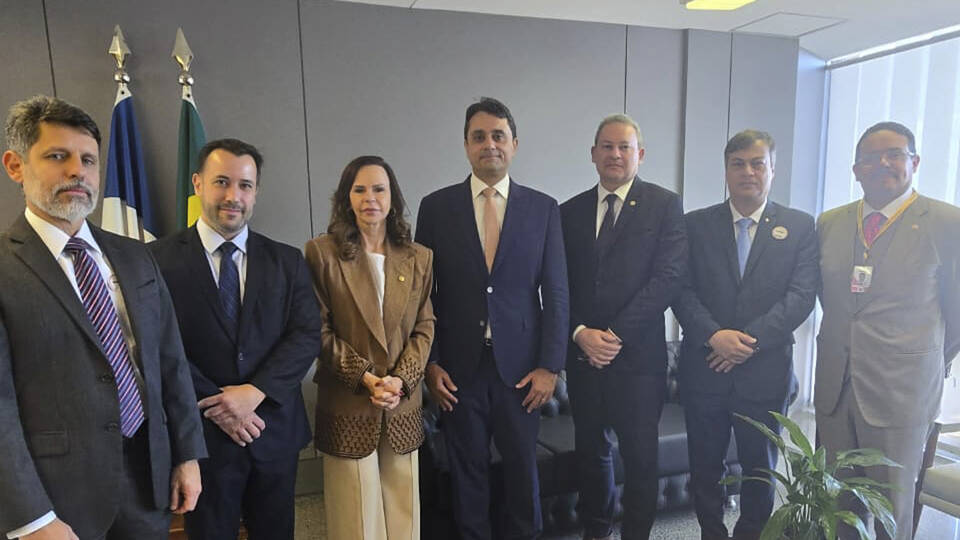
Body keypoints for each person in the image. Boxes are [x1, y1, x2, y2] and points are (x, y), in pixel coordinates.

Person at [0, 95, 206, 540]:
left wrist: (187, 454)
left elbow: (169, 360)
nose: (77, 171)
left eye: (89, 160)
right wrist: (31, 518)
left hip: (148, 480)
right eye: (58, 156)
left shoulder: (136, 256)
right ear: (16, 166)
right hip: (56, 498)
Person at [151, 138, 323, 540]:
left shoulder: (287, 261)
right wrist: (220, 404)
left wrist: (254, 393)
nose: (233, 196)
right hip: (202, 441)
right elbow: (156, 344)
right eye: (221, 182)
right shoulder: (156, 260)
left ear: (256, 191)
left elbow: (305, 335)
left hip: (273, 431)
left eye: (245, 185)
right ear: (197, 183)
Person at [415, 97, 569, 539]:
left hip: (522, 372)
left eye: (498, 136)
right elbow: (422, 296)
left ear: (514, 144)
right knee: (468, 475)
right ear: (466, 145)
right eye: (479, 136)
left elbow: (557, 293)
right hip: (458, 370)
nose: (490, 145)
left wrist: (550, 367)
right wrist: (431, 362)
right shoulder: (436, 207)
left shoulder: (543, 209)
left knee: (522, 472)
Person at [816, 121, 960, 540]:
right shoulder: (830, 222)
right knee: (838, 504)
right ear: (855, 170)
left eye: (894, 154)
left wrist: (919, 360)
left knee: (891, 509)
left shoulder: (948, 223)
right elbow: (832, 299)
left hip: (901, 392)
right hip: (836, 386)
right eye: (870, 158)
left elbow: (956, 313)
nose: (882, 164)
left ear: (914, 162)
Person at [673, 130, 818, 540]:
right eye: (738, 164)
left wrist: (745, 343)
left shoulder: (799, 226)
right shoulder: (695, 224)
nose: (748, 172)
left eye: (757, 163)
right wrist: (714, 336)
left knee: (760, 468)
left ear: (773, 169)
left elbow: (801, 296)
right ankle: (711, 533)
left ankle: (750, 534)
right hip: (705, 368)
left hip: (765, 372)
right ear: (726, 170)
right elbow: (680, 289)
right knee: (704, 466)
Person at [560, 113, 687, 540]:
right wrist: (580, 333)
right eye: (607, 146)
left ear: (640, 154)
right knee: (590, 452)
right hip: (584, 358)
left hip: (638, 360)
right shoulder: (568, 212)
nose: (615, 154)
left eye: (624, 147)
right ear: (593, 153)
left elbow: (667, 279)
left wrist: (614, 336)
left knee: (640, 458)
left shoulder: (664, 205)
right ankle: (596, 531)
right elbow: (558, 284)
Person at [305, 155, 434, 540]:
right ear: (347, 197)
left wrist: (400, 380)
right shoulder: (321, 253)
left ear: (393, 197)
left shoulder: (419, 257)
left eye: (379, 189)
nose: (370, 198)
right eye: (359, 189)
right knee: (355, 520)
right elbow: (317, 329)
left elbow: (425, 326)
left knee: (403, 516)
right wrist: (365, 377)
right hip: (349, 402)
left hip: (401, 403)